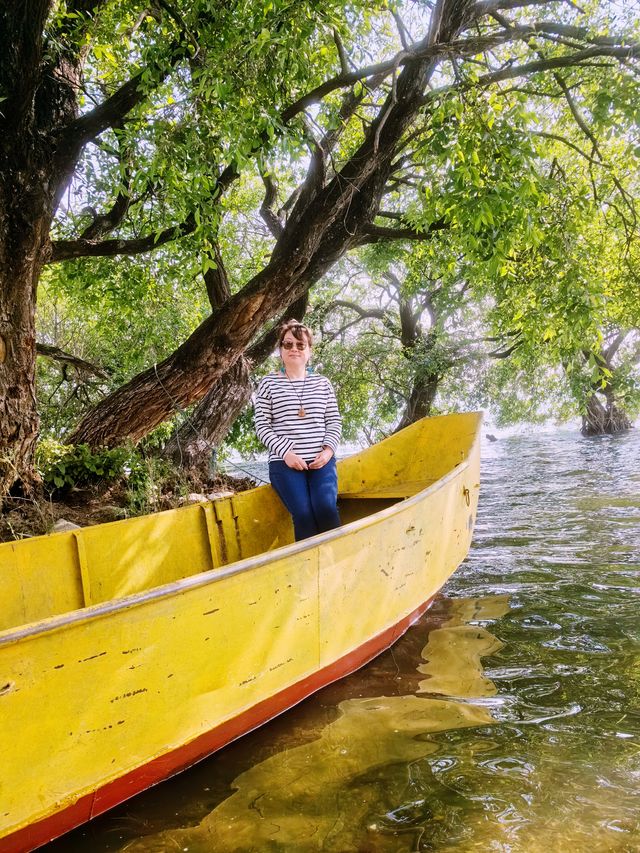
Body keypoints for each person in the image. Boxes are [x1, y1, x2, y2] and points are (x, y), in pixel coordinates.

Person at [254, 320, 342, 541]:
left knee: (326, 509)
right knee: (303, 514)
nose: (294, 349)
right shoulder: (268, 384)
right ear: (280, 350)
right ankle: (309, 570)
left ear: (309, 350)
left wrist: (328, 451)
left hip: (320, 461)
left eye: (300, 345)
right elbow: (262, 425)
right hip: (284, 463)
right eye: (288, 344)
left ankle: (338, 566)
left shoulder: (323, 384)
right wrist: (286, 453)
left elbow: (333, 420)